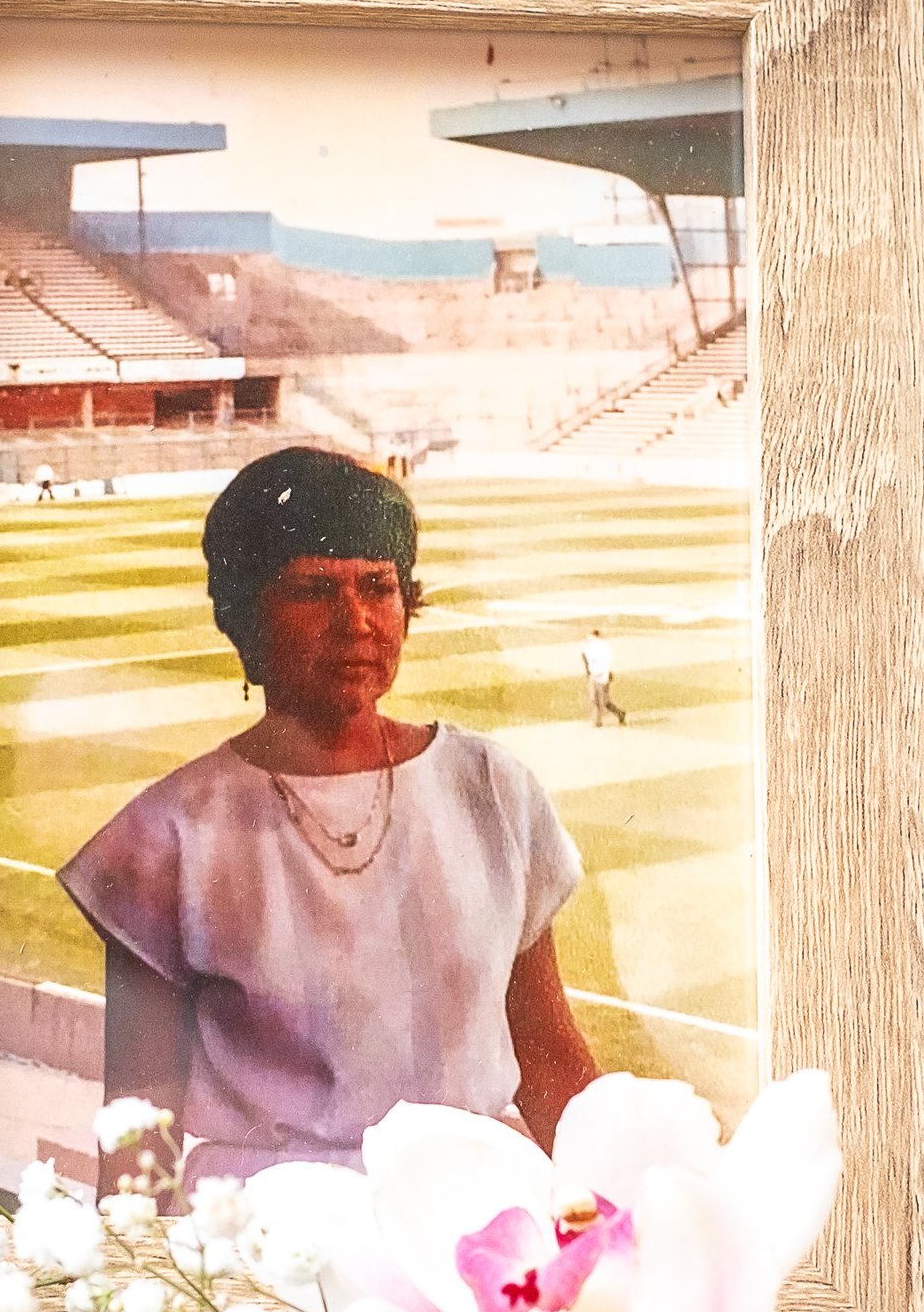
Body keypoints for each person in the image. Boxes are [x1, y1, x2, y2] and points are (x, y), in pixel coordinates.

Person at [58, 446, 599, 1186]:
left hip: (477, 1218)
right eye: (314, 591)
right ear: (246, 615)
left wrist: (621, 1232)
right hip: (268, 1236)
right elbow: (138, 1121)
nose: (357, 621)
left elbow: (548, 1054)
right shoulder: (165, 839)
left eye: (378, 587)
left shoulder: (493, 790)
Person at [581, 622, 620, 727]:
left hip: (603, 675)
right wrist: (588, 670)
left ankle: (619, 714)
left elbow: (607, 661)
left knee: (604, 702)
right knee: (594, 699)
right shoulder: (589, 647)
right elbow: (584, 656)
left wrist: (608, 673)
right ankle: (597, 722)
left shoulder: (603, 647)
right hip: (594, 675)